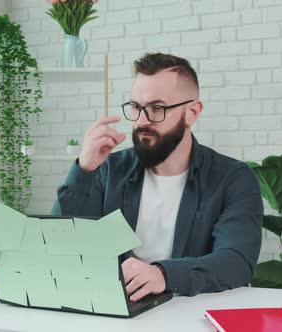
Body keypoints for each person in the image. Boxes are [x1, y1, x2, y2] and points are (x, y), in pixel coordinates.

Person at [51, 53, 263, 302]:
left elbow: (237, 261)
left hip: (189, 313)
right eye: (136, 108)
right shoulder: (109, 169)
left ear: (192, 112)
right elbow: (60, 242)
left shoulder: (233, 179)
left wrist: (163, 274)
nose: (142, 121)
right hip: (114, 312)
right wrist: (84, 170)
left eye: (156, 108)